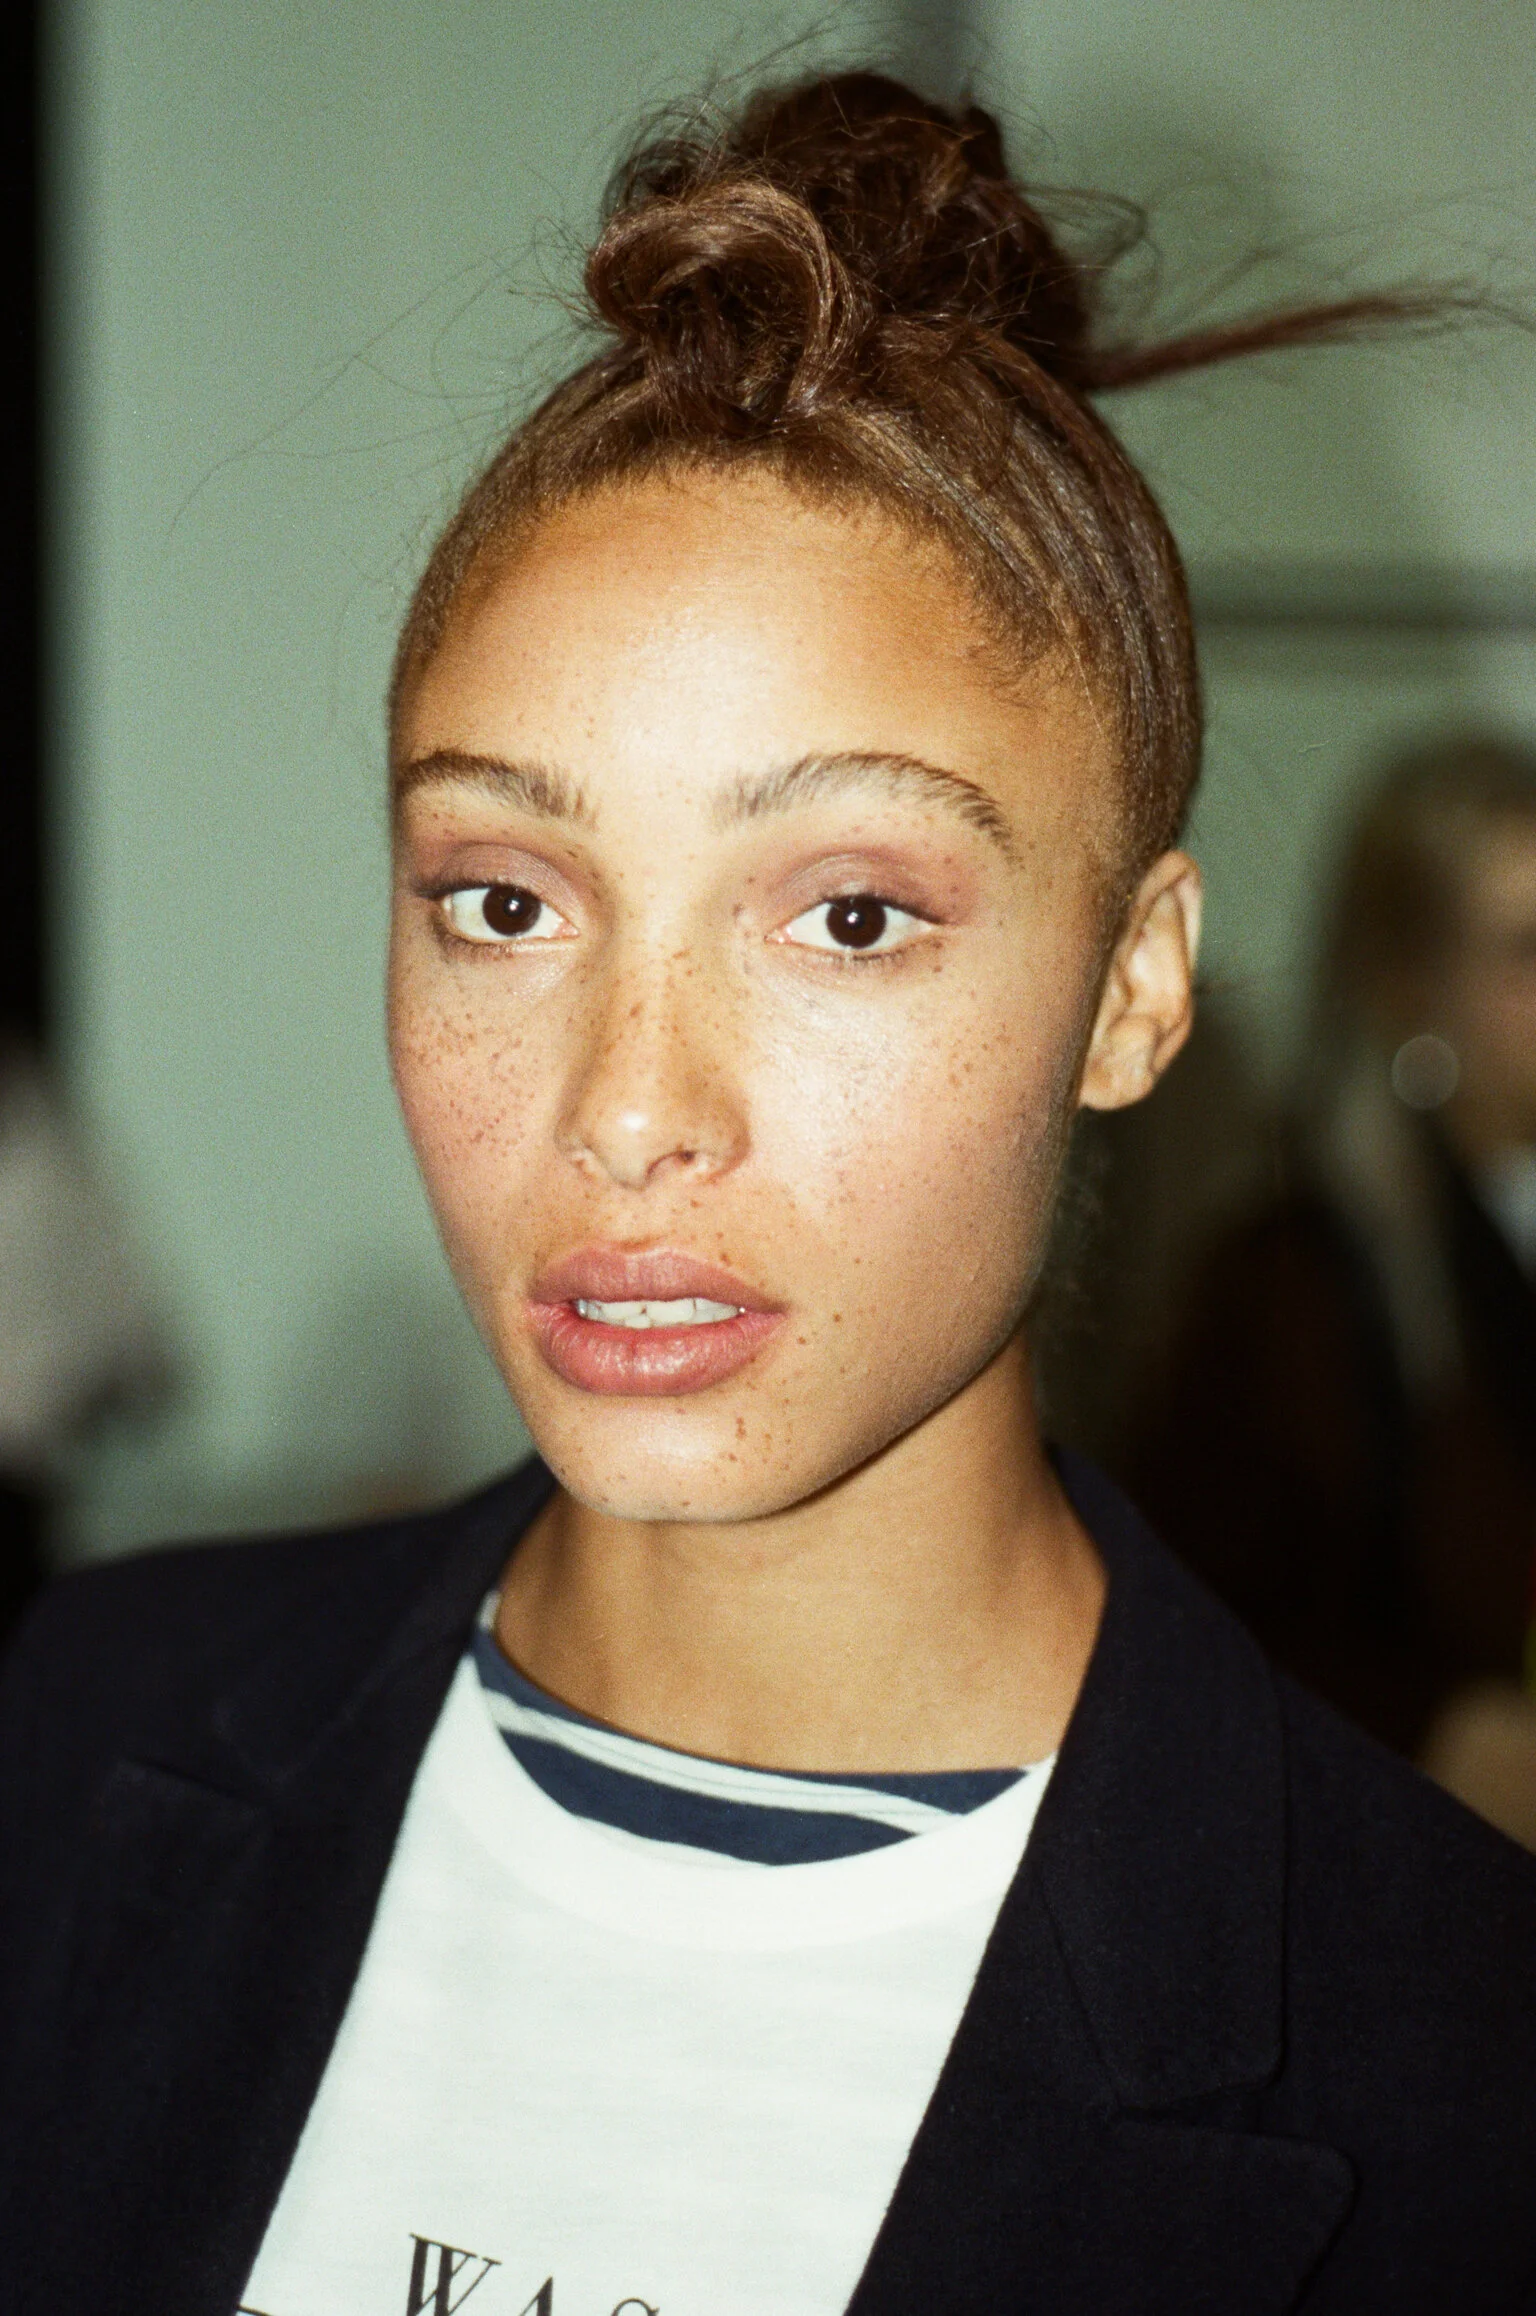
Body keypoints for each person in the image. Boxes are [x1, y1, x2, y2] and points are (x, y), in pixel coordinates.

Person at [3, 73, 1534, 2316]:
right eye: (506, 903)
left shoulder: (1456, 2074)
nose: (630, 1111)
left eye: (848, 917)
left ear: (1133, 987)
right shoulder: (81, 1745)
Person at [1132, 736, 1536, 1807]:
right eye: (1526, 949)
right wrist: (1439, 1727)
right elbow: (1196, 1627)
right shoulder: (1291, 1285)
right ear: (1409, 987)